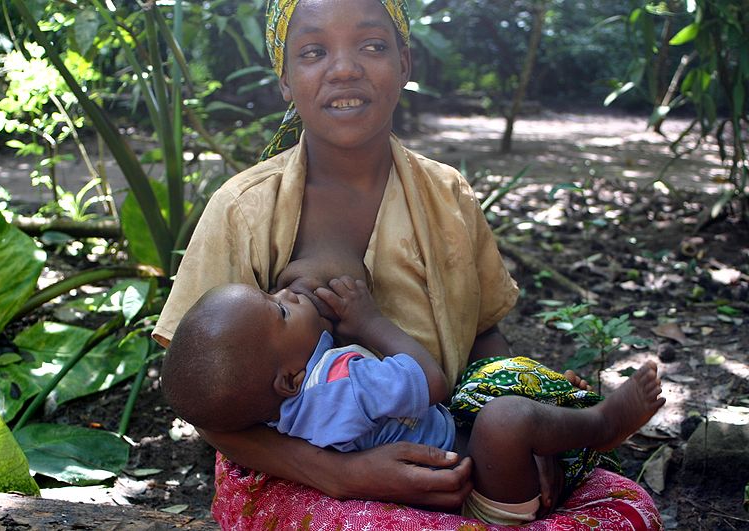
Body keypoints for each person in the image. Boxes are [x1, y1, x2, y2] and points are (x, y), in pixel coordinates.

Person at [153, 0, 666, 527]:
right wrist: (341, 473)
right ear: (285, 79)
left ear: (405, 63)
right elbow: (207, 398)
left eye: (372, 46)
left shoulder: (448, 195)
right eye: (313, 51)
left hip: (450, 457)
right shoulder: (243, 208)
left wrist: (523, 438)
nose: (345, 67)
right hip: (301, 479)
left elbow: (485, 334)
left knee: (625, 511)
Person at [162, 275, 665, 525]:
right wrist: (368, 321)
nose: (288, 294)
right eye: (279, 310)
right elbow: (432, 380)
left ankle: (560, 418)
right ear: (291, 379)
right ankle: (601, 424)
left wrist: (293, 324)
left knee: (501, 391)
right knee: (504, 420)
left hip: (451, 466)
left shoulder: (283, 412)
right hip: (479, 492)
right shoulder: (343, 388)